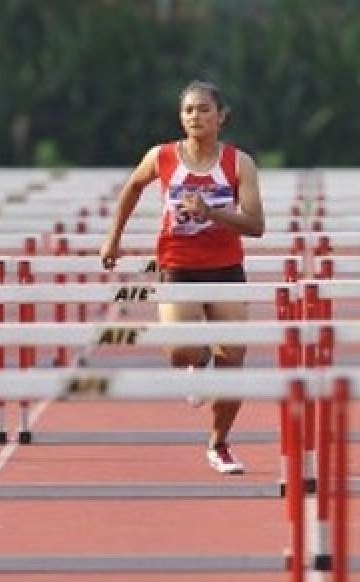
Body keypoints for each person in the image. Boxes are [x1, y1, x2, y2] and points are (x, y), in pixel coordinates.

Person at [99, 80, 265, 475]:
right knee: (180, 354)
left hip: (225, 267)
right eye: (189, 110)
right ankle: (198, 361)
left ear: (221, 116)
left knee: (235, 362)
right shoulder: (162, 157)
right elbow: (132, 188)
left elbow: (256, 225)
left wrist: (213, 214)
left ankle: (219, 445)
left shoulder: (240, 164)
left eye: (204, 109)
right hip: (178, 264)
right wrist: (113, 238)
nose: (196, 117)